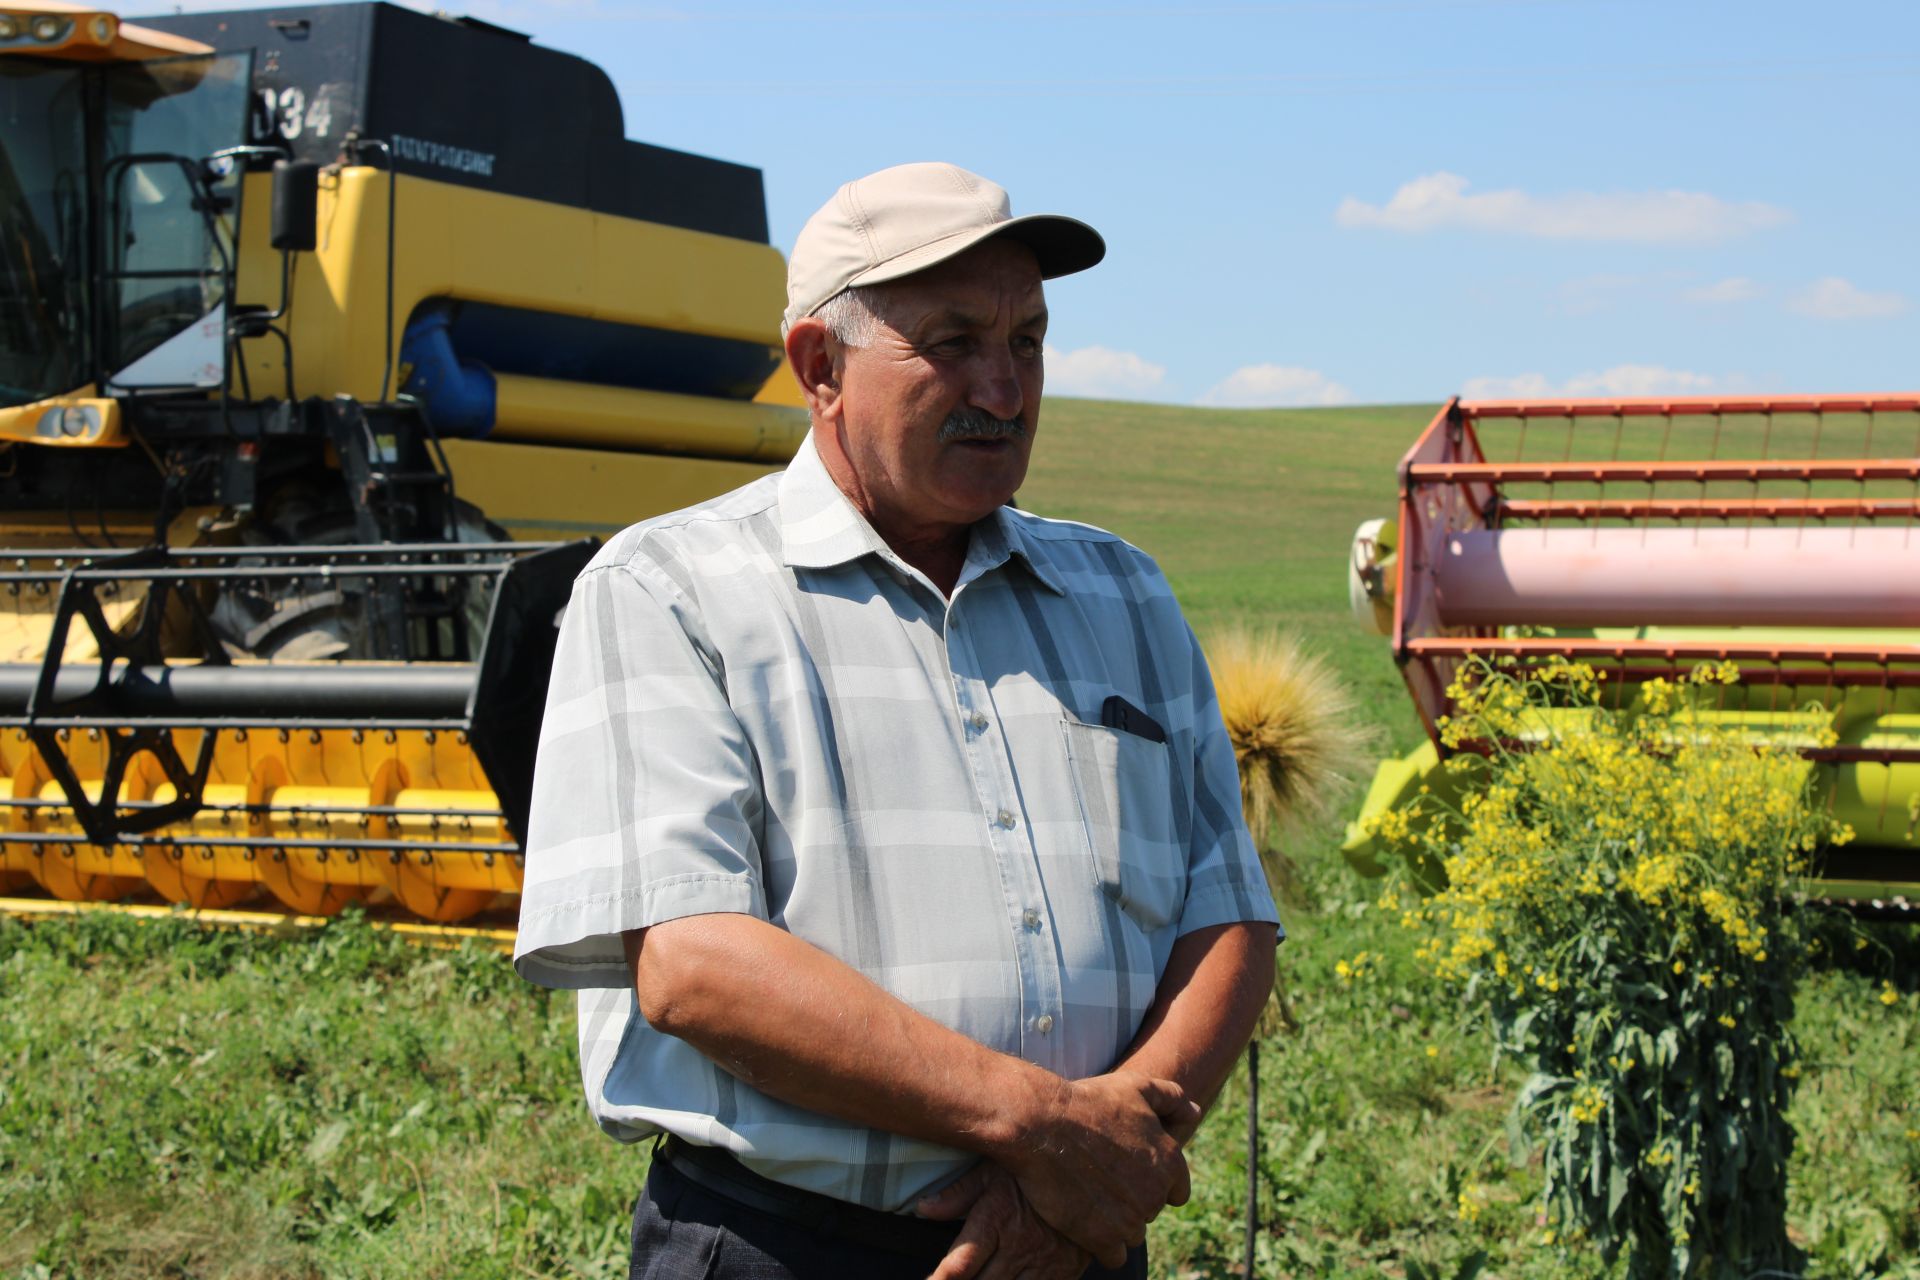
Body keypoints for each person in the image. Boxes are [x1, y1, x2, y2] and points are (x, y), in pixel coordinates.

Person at [512, 162, 1281, 1280]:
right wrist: (1040, 1126)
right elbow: (692, 959)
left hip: (1080, 1239)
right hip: (786, 1244)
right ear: (820, 367)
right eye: (954, 341)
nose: (1006, 389)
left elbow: (1229, 914)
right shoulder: (670, 588)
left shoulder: (1124, 592)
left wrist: (1098, 1167)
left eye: (1027, 341)